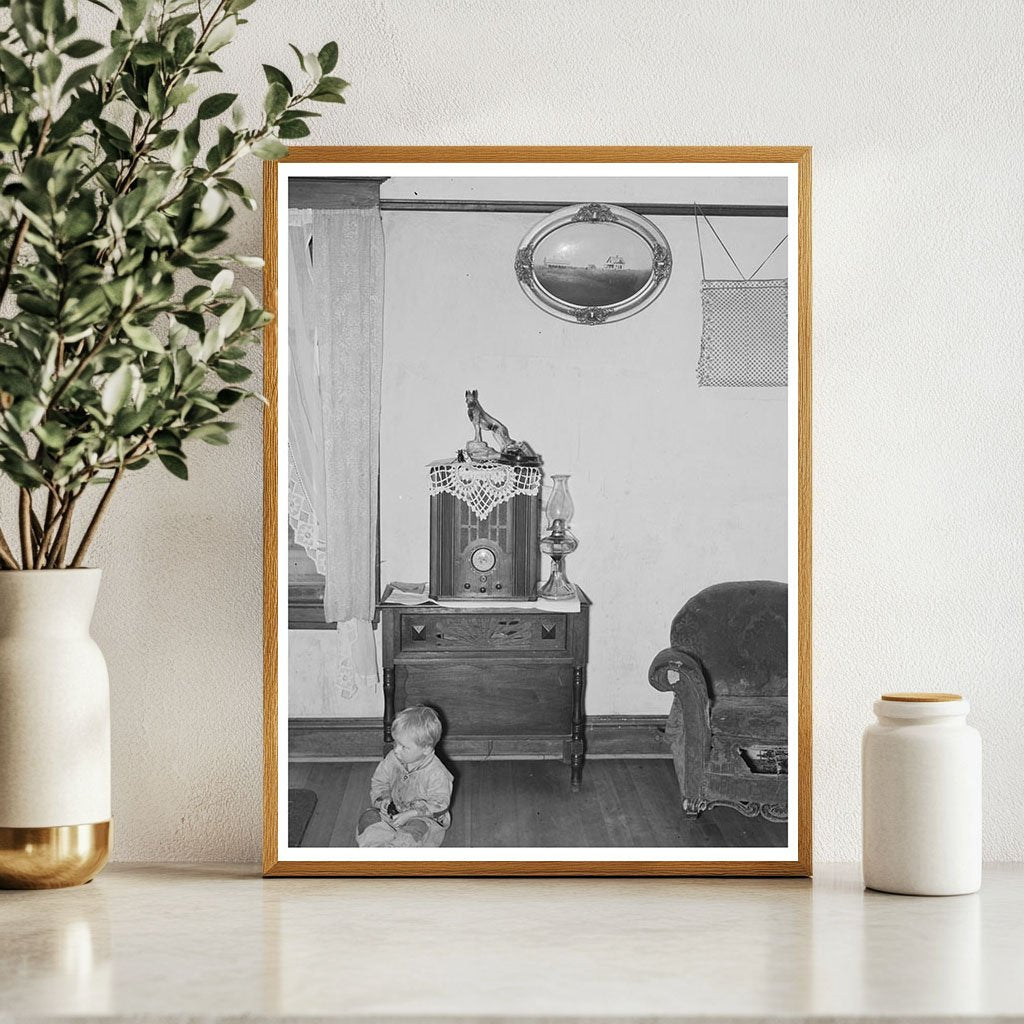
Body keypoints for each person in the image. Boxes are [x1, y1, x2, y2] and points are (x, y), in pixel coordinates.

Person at [356, 705, 454, 848]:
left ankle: (398, 851)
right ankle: (377, 849)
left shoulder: (437, 773)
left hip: (425, 819)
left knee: (416, 829)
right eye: (396, 743)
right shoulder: (392, 759)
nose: (396, 750)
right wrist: (384, 798)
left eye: (404, 747)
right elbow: (379, 782)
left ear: (426, 748)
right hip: (393, 813)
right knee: (368, 816)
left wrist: (410, 814)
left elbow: (440, 804)